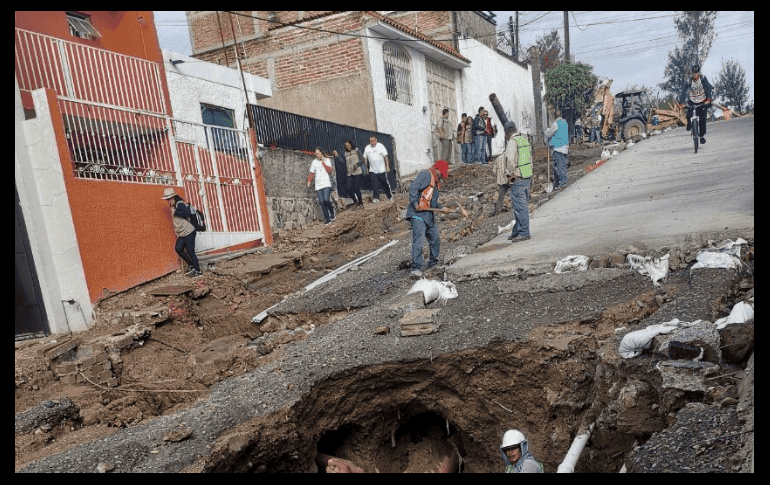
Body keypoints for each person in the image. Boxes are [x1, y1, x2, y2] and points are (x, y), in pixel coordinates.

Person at [405, 160, 452, 278]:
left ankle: (433, 264)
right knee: (419, 241)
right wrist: (415, 203)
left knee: (435, 240)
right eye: (443, 172)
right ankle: (416, 268)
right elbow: (413, 188)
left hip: (428, 215)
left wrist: (442, 208)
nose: (443, 175)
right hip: (417, 215)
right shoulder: (426, 175)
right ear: (438, 169)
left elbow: (433, 203)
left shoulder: (435, 182)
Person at [499, 122, 533, 243]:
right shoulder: (524, 140)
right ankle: (517, 231)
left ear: (507, 132)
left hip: (518, 176)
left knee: (520, 207)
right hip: (527, 175)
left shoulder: (512, 142)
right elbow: (530, 158)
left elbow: (510, 161)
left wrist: (509, 174)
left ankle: (524, 232)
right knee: (520, 205)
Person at [161, 187, 202, 277]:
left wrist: (176, 212)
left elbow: (186, 213)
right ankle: (191, 265)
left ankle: (198, 271)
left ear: (173, 198)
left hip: (189, 232)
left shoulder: (179, 204)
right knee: (178, 249)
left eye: (168, 199)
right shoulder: (174, 205)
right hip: (182, 233)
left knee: (190, 251)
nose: (168, 201)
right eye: (167, 200)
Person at [677, 64, 713, 145]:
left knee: (702, 119)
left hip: (702, 101)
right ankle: (689, 124)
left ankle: (701, 136)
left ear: (699, 73)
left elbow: (708, 88)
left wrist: (708, 99)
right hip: (692, 101)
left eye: (697, 73)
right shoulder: (689, 81)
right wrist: (681, 103)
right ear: (692, 73)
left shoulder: (703, 79)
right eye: (693, 73)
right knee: (689, 114)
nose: (695, 75)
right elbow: (683, 91)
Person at [306, 147, 336, 225]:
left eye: (318, 153)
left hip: (326, 184)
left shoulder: (327, 160)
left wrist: (323, 162)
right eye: (316, 153)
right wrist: (309, 181)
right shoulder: (314, 162)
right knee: (322, 202)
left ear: (321, 153)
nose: (317, 155)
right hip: (318, 185)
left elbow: (329, 170)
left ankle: (332, 212)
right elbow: (311, 173)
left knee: (326, 200)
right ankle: (327, 219)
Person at [544, 108, 569, 190]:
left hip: (558, 148)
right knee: (559, 166)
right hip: (564, 147)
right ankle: (557, 183)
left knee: (559, 167)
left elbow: (548, 134)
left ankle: (562, 182)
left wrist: (546, 130)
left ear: (554, 115)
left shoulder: (555, 124)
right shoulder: (565, 122)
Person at [363, 136, 392, 202]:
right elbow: (365, 158)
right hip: (372, 170)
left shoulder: (380, 146)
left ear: (376, 140)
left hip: (381, 169)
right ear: (369, 141)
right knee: (374, 184)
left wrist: (387, 167)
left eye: (374, 141)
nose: (373, 142)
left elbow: (385, 157)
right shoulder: (367, 148)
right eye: (371, 141)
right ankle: (376, 198)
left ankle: (390, 196)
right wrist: (366, 168)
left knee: (385, 184)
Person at [343, 140, 365, 210]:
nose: (347, 147)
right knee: (348, 188)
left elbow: (362, 159)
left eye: (348, 145)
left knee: (356, 188)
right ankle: (355, 201)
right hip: (349, 173)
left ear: (351, 144)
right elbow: (344, 163)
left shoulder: (356, 150)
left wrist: (357, 164)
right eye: (346, 146)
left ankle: (361, 203)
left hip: (357, 172)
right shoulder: (345, 153)